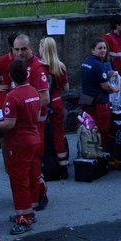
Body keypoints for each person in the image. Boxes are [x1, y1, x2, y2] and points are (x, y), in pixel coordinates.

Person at [0, 59, 47, 235]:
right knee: (32, 176)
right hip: (34, 139)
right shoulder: (34, 91)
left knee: (19, 182)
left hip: (19, 144)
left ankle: (24, 218)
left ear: (11, 75)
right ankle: (30, 211)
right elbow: (35, 116)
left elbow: (9, 124)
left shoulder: (12, 96)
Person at [79, 39, 119, 148]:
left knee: (89, 127)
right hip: (100, 103)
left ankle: (89, 149)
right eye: (100, 48)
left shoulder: (86, 62)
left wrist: (106, 73)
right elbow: (105, 85)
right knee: (102, 130)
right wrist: (114, 89)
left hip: (87, 100)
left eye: (105, 48)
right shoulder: (98, 64)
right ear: (92, 50)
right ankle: (101, 151)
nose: (103, 50)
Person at [40, 37, 71, 177]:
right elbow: (66, 87)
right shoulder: (61, 66)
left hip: (44, 103)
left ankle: (42, 164)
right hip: (57, 101)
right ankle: (63, 167)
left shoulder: (39, 66)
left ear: (43, 48)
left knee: (40, 133)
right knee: (59, 135)